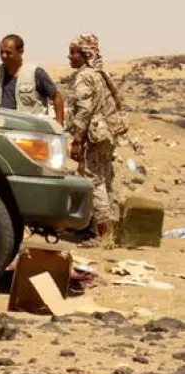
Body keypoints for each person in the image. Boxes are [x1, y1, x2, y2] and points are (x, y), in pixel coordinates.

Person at [65, 32, 126, 241]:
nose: (69, 57)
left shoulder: (85, 76)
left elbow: (84, 109)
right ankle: (110, 229)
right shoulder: (99, 73)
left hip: (94, 136)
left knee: (93, 181)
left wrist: (77, 139)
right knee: (107, 180)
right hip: (108, 134)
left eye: (73, 53)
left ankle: (103, 235)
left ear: (84, 55)